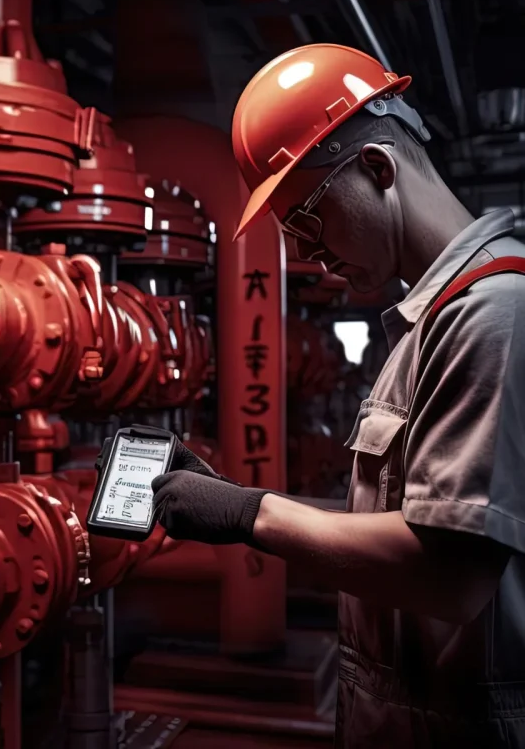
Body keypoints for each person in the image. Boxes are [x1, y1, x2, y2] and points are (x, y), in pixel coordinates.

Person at [150, 45, 525, 747]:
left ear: (377, 169)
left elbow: (451, 576)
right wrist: (236, 498)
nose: (303, 255)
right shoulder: (429, 322)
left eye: (306, 222)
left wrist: (249, 515)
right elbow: (407, 520)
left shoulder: (494, 314)